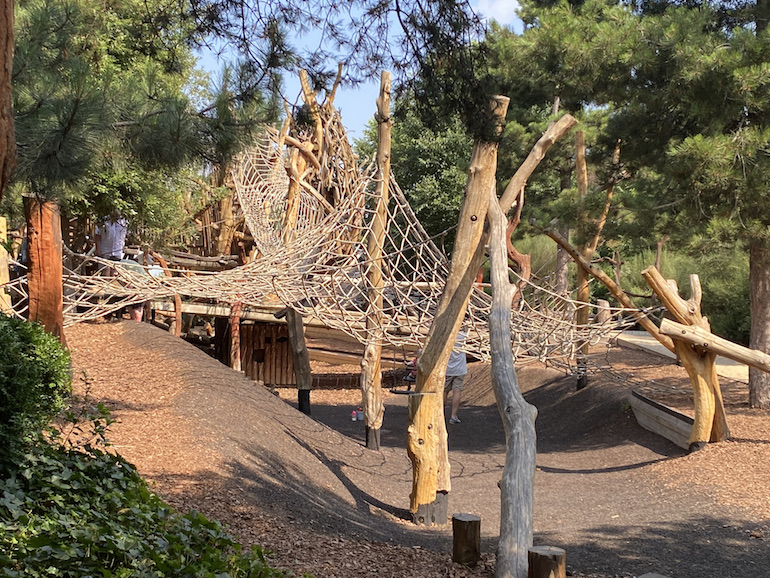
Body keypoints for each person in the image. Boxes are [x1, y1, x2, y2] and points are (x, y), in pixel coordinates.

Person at [445, 332, 467, 424]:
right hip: (460, 368)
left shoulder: (447, 334)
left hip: (448, 368)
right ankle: (453, 416)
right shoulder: (463, 335)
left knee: (444, 391)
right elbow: (467, 330)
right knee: (457, 391)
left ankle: (440, 414)